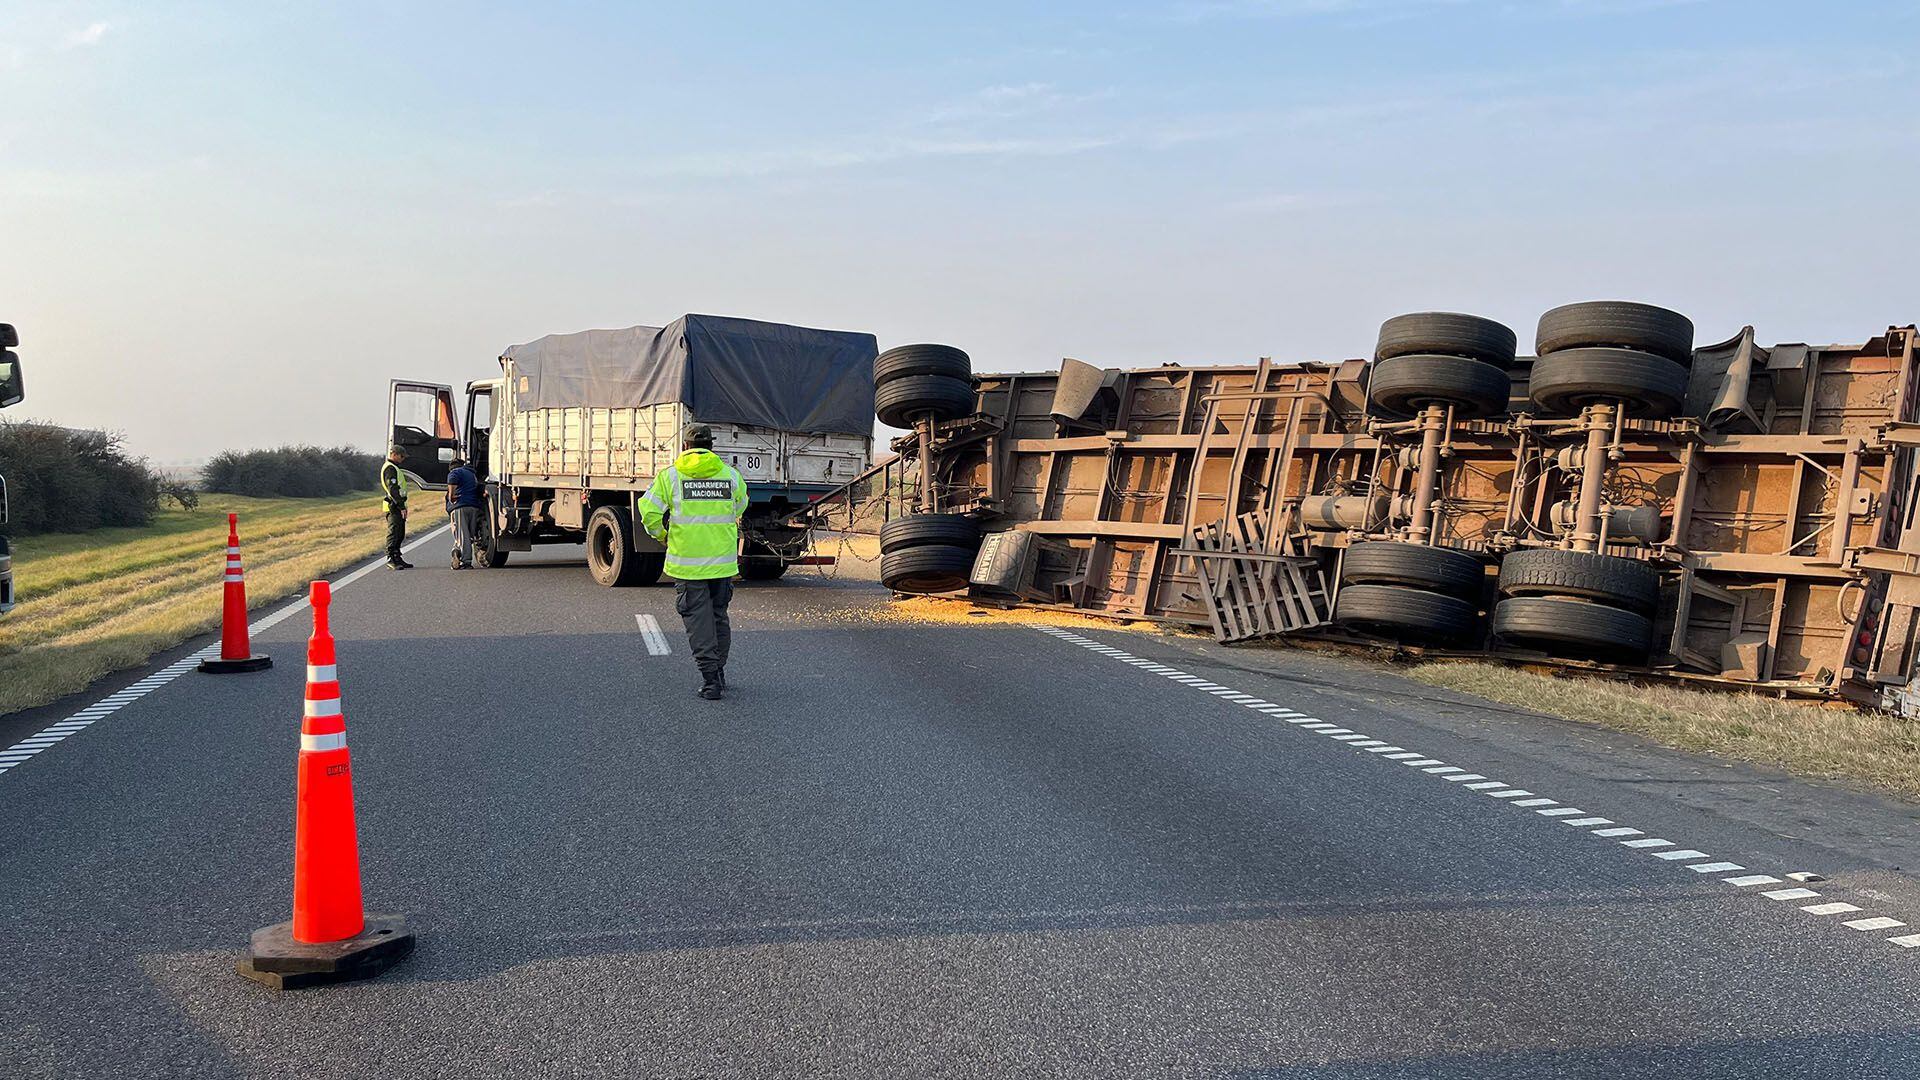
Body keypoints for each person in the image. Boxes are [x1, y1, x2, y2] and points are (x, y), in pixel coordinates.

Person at [639, 423, 748, 700]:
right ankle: (719, 672)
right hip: (722, 564)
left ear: (685, 446)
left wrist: (663, 535)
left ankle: (710, 680)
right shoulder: (731, 475)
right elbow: (741, 505)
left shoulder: (670, 477)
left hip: (688, 565)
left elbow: (648, 512)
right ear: (712, 445)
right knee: (718, 617)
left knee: (698, 621)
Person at [444, 456, 483, 569]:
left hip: (459, 506)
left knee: (462, 535)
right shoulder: (471, 474)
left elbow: (452, 478)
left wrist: (451, 495)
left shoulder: (456, 471)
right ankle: (456, 551)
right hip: (473, 507)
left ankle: (465, 561)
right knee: (469, 536)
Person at [380, 446, 413, 570]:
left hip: (398, 505)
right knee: (394, 533)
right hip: (393, 506)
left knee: (400, 533)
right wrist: (400, 506)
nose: (403, 459)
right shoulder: (390, 468)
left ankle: (397, 557)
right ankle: (391, 558)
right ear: (394, 454)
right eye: (402, 456)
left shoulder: (394, 468)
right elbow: (393, 489)